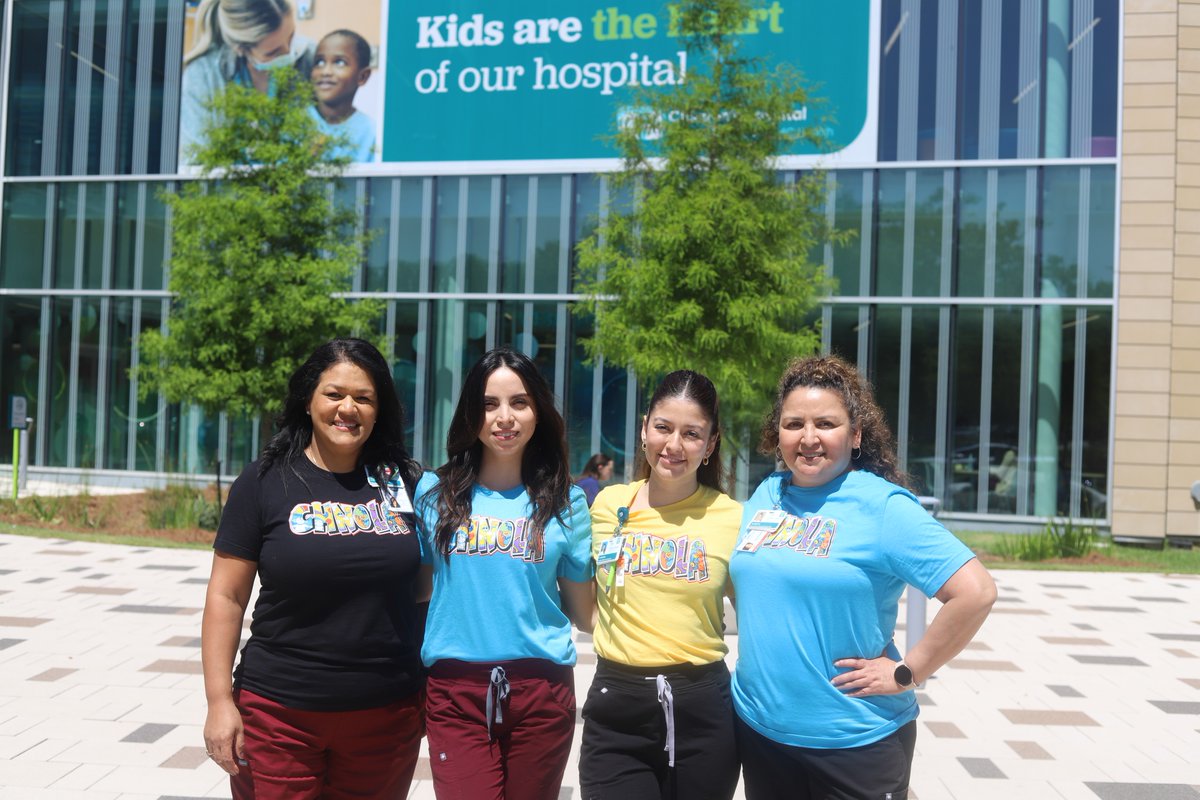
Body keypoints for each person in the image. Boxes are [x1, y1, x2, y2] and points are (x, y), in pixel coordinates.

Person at [730, 355, 997, 800]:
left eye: (826, 424)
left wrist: (908, 671)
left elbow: (976, 592)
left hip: (854, 740)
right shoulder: (765, 495)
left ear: (855, 434)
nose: (809, 438)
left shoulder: (884, 507)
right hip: (762, 734)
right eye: (794, 423)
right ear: (777, 433)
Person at [200, 338, 426, 800]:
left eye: (364, 398)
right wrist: (219, 701)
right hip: (278, 715)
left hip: (386, 715)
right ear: (308, 400)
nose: (348, 408)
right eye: (334, 394)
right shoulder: (265, 481)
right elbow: (226, 597)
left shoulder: (400, 483)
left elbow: (425, 591)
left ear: (380, 409)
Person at [415, 346, 595, 800]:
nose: (504, 417)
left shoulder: (567, 502)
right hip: (456, 691)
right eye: (489, 404)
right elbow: (419, 594)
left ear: (538, 412)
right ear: (471, 414)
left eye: (519, 402)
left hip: (542, 690)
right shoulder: (433, 494)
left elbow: (584, 613)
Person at [580, 370, 742, 800]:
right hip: (617, 707)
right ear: (644, 428)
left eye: (691, 434)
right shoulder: (609, 505)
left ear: (710, 445)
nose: (674, 445)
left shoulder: (733, 518)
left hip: (703, 711)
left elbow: (761, 613)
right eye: (663, 427)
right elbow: (586, 605)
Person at [180, 0, 315, 162]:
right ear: (240, 48)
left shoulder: (312, 58)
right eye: (273, 52)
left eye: (291, 37)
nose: (289, 53)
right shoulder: (203, 76)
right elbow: (195, 161)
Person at [309, 29, 377, 162]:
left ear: (363, 76)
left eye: (339, 63)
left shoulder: (371, 133)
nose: (325, 72)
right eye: (320, 62)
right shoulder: (293, 123)